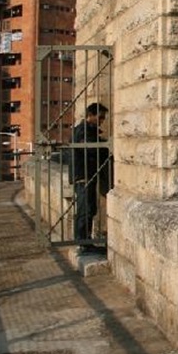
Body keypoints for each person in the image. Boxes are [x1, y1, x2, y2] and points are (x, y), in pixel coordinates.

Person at [70, 102, 110, 253]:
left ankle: (85, 241)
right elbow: (91, 148)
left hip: (87, 175)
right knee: (85, 209)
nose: (101, 121)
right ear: (90, 115)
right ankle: (83, 243)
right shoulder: (82, 131)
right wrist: (107, 144)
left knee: (89, 208)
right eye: (99, 117)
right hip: (83, 175)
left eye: (103, 118)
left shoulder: (87, 130)